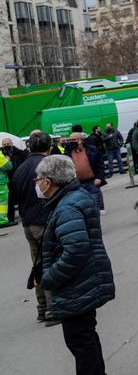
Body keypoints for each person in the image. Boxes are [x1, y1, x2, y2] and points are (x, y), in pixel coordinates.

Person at [36, 154, 117, 374]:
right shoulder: (72, 198)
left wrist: (50, 278)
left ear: (49, 181)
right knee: (85, 339)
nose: (37, 184)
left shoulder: (66, 207)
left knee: (81, 341)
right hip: (86, 280)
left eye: (38, 179)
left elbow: (76, 249)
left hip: (78, 283)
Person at [11, 131, 54, 323]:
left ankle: (42, 308)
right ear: (49, 147)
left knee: (38, 266)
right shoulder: (47, 166)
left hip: (28, 225)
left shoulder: (20, 168)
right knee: (51, 265)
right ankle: (53, 309)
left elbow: (13, 199)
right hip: (44, 222)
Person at [66, 133, 104, 215]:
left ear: (81, 140)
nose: (73, 141)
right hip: (77, 184)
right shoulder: (68, 152)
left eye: (75, 139)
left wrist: (99, 177)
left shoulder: (92, 149)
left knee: (94, 204)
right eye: (71, 140)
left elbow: (100, 164)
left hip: (91, 182)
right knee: (83, 206)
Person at [0, 143, 12, 228]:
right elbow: (7, 166)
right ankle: (2, 220)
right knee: (2, 202)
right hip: (1, 182)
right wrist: (8, 160)